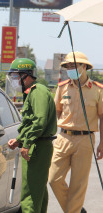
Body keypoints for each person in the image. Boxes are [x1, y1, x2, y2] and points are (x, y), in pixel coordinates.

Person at [48, 51, 103, 213]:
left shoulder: (98, 90)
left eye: (73, 65)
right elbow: (56, 113)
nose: (70, 69)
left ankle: (74, 210)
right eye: (68, 66)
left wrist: (102, 144)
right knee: (53, 179)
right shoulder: (62, 87)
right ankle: (76, 210)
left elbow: (102, 118)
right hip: (63, 137)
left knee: (78, 184)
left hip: (85, 140)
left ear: (84, 67)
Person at [7, 58, 57, 213]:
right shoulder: (32, 92)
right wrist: (19, 140)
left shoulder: (37, 91)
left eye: (15, 76)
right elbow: (31, 122)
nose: (14, 80)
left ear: (25, 76)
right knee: (38, 192)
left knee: (30, 194)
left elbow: (39, 121)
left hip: (38, 146)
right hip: (37, 144)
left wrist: (27, 144)